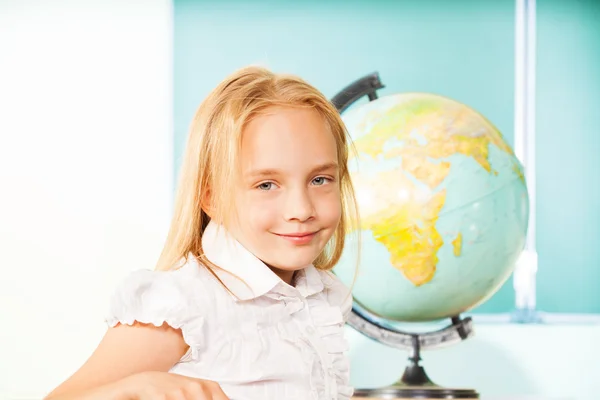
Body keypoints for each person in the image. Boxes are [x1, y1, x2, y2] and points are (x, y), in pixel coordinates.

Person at [44, 65, 360, 400]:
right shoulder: (182, 305)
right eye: (266, 184)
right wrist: (133, 388)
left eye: (320, 180)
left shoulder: (323, 298)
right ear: (211, 197)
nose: (301, 210)